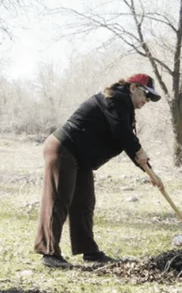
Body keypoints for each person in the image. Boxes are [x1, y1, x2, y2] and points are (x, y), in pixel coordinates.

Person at [34, 73, 164, 268]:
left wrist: (149, 171)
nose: (147, 100)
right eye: (146, 94)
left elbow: (125, 140)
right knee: (59, 199)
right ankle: (49, 252)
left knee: (85, 202)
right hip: (64, 149)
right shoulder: (116, 99)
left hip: (81, 157)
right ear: (133, 88)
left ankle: (89, 251)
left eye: (150, 98)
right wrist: (140, 151)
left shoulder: (123, 107)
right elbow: (123, 133)